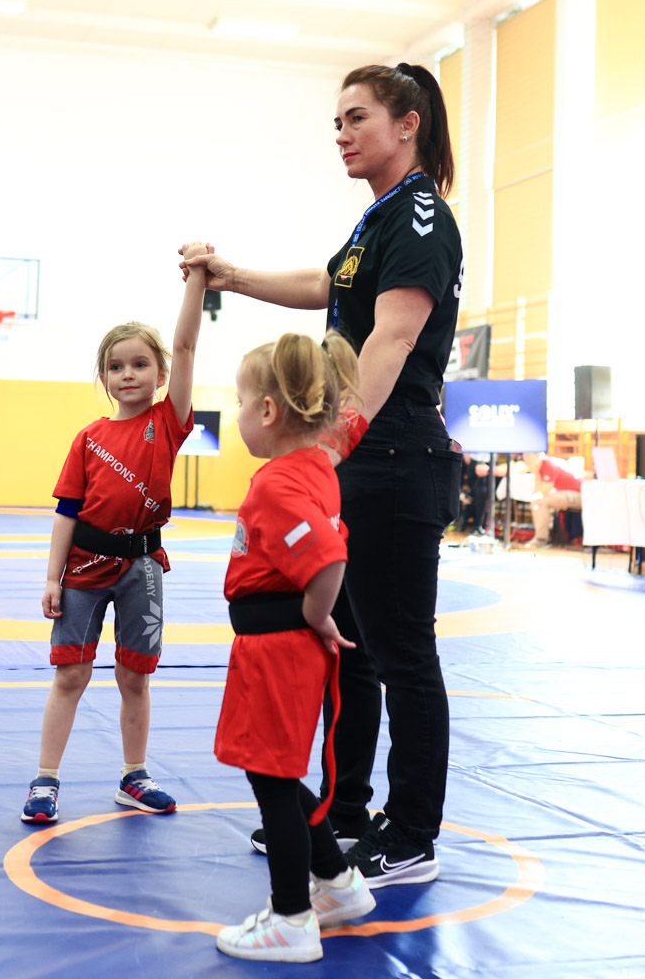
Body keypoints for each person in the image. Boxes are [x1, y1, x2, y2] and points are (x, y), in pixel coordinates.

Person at [184, 61, 464, 887]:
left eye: (355, 118)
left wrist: (333, 442)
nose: (341, 134)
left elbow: (394, 336)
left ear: (406, 124)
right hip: (365, 451)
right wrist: (233, 276)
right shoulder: (377, 219)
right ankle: (342, 814)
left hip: (392, 451)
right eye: (336, 122)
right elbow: (326, 286)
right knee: (350, 650)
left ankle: (410, 836)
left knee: (400, 652)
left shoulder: (419, 216)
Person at [20, 241, 207, 824]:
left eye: (140, 364)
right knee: (71, 674)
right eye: (117, 366)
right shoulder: (88, 438)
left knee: (134, 677)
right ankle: (45, 780)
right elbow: (66, 512)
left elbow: (185, 343)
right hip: (83, 567)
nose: (129, 373)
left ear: (161, 373)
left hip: (142, 568)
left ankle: (134, 776)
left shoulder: (168, 423)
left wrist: (197, 278)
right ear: (103, 377)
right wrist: (52, 578)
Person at [212, 331, 380, 962]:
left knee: (274, 783)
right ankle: (336, 883)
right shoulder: (315, 467)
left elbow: (328, 556)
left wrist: (316, 613)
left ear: (267, 411)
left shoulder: (277, 484)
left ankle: (291, 918)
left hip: (278, 649)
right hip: (278, 646)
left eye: (240, 401)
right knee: (275, 773)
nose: (236, 414)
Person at [523, 452, 582, 549]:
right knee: (537, 501)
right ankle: (542, 537)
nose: (526, 462)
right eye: (525, 459)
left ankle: (541, 539)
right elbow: (537, 490)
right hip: (572, 493)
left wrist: (534, 500)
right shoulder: (543, 464)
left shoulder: (548, 464)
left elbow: (544, 491)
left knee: (540, 502)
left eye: (528, 458)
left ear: (537, 455)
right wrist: (536, 472)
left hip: (579, 494)